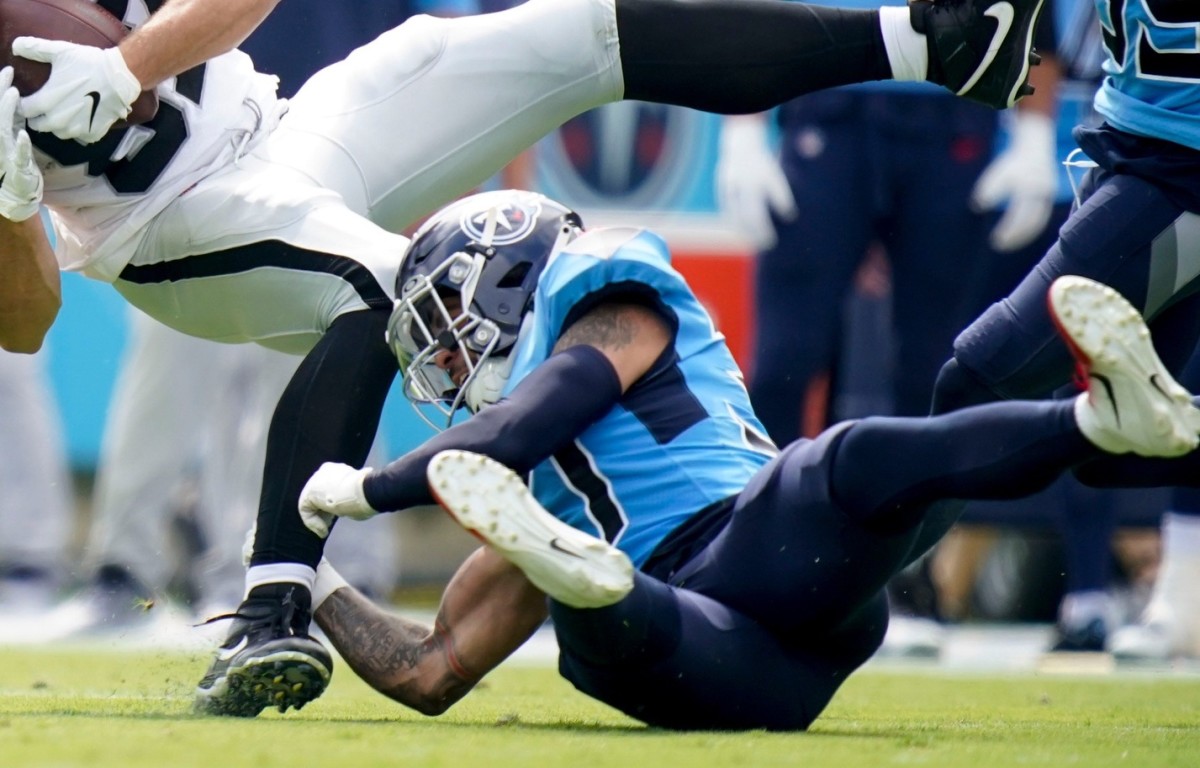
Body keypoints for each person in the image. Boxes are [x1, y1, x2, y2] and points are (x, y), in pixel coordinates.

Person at [0, 0, 1048, 716]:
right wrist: (13, 205)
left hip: (277, 127)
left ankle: (930, 40)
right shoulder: (616, 314)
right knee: (384, 280)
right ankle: (271, 603)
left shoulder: (604, 332)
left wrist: (134, 62)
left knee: (571, 33)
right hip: (170, 226)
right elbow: (27, 319)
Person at [293, 189, 1200, 731]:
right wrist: (306, 577)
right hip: (745, 657)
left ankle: (1099, 421)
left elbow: (523, 425)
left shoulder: (606, 303)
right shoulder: (526, 503)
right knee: (600, 632)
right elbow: (432, 669)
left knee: (846, 459)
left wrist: (370, 489)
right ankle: (599, 589)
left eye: (447, 324)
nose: (448, 361)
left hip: (757, 543)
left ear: (505, 271)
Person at [917, 1, 1200, 659]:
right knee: (1114, 449)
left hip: (1174, 167)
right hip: (1137, 145)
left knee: (976, 380)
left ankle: (852, 596)